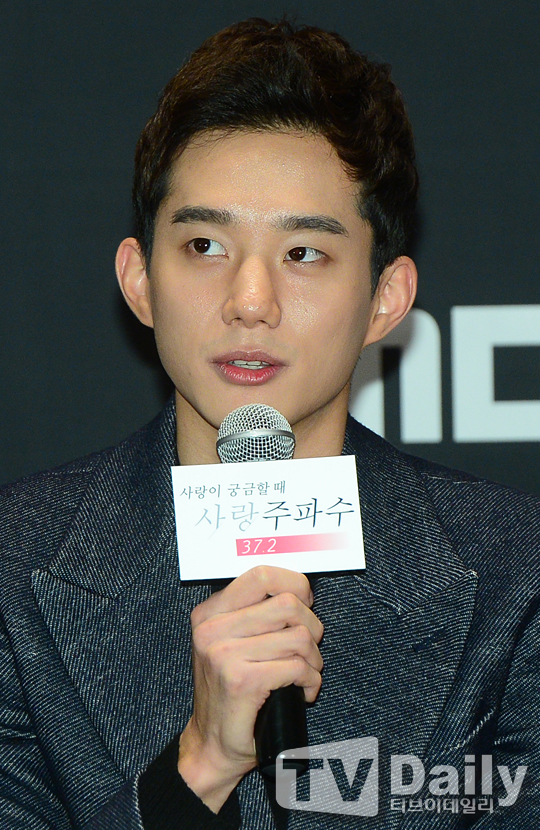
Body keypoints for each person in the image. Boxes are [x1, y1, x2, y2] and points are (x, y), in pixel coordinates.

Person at [1, 17, 539, 830]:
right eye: (205, 246)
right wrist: (198, 768)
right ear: (140, 281)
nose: (250, 301)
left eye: (303, 254)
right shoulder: (17, 568)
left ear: (386, 298)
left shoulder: (514, 572)